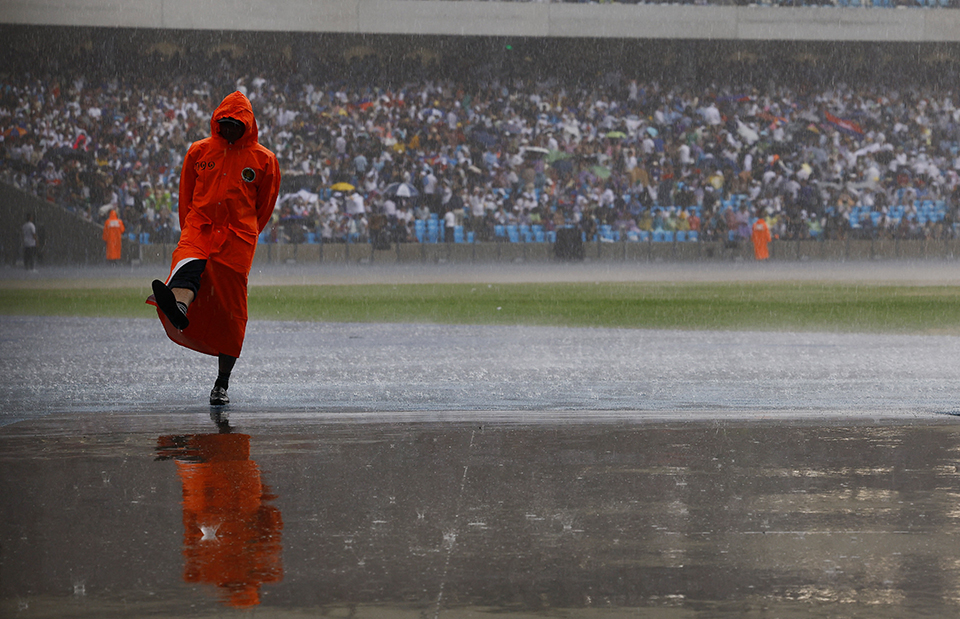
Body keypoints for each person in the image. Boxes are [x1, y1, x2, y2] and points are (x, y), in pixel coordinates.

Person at [147, 91, 280, 406]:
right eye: (225, 123)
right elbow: (186, 193)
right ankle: (179, 308)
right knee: (187, 266)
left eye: (236, 124)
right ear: (216, 122)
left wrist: (245, 232)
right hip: (200, 227)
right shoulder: (199, 151)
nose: (230, 129)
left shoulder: (265, 160)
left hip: (236, 239)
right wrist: (190, 228)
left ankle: (222, 383)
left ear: (247, 125)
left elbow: (264, 207)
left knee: (231, 313)